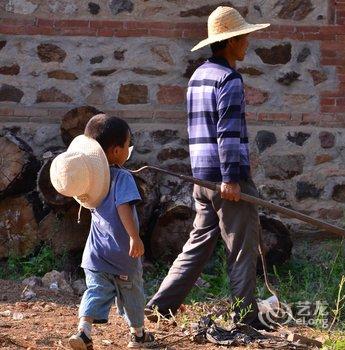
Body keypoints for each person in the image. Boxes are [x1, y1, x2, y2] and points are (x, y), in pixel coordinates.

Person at [146, 6, 270, 328]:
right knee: (241, 249)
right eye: (243, 37)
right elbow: (227, 134)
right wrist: (231, 179)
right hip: (227, 180)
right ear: (230, 42)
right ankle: (246, 318)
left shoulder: (198, 76)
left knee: (198, 244)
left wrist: (208, 178)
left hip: (202, 178)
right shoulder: (229, 79)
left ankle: (161, 305)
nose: (247, 42)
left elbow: (196, 129)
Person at [50, 114, 155, 349]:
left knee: (96, 290)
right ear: (117, 151)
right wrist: (134, 237)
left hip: (96, 255)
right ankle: (138, 336)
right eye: (128, 144)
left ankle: (84, 331)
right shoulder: (123, 177)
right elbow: (123, 207)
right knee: (132, 294)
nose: (130, 148)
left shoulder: (89, 181)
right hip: (123, 255)